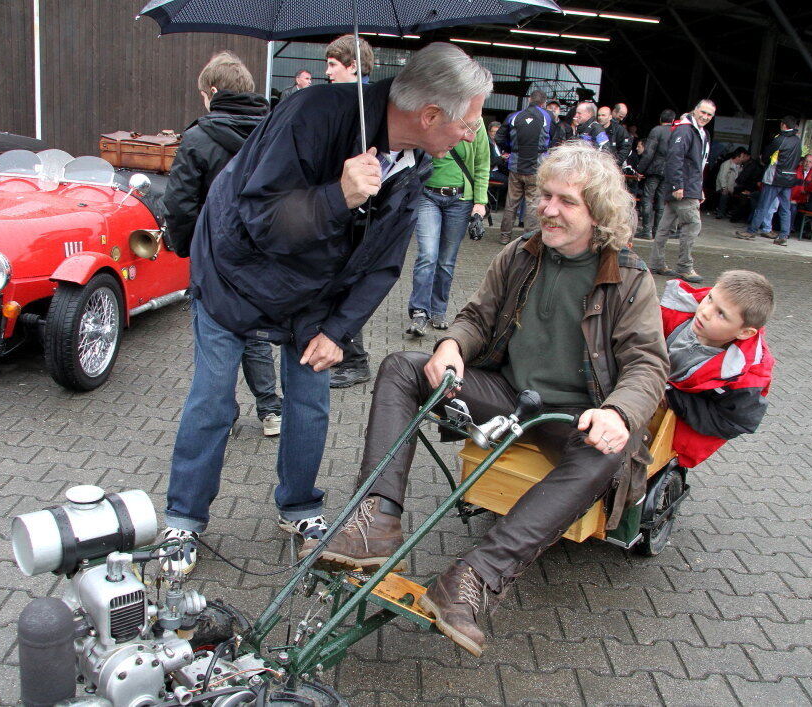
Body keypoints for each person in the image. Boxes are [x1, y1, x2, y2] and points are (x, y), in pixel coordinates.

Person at [306, 141, 668, 656]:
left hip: (575, 413)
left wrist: (616, 411)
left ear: (599, 214)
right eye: (545, 195)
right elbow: (477, 317)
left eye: (566, 201)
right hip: (508, 394)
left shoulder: (629, 278)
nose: (547, 209)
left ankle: (473, 579)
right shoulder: (521, 253)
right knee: (402, 368)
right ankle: (375, 521)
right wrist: (452, 345)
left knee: (610, 450)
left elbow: (649, 366)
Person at [160, 42, 493, 574]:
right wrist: (337, 195)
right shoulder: (311, 113)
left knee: (311, 396)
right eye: (470, 121)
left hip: (313, 293)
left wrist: (339, 330)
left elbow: (385, 262)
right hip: (235, 270)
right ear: (430, 115)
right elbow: (259, 215)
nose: (474, 132)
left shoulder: (416, 163)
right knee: (213, 400)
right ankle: (184, 520)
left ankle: (299, 507)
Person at [161, 51, 282, 439]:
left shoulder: (198, 138)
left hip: (214, 257)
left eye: (202, 94)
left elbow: (179, 204)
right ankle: (271, 410)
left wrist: (186, 248)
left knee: (215, 342)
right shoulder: (276, 130)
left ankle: (221, 416)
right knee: (256, 335)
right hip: (264, 255)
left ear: (212, 91)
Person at [660, 270, 774, 468]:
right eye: (709, 298)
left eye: (721, 314)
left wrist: (670, 397)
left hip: (675, 427)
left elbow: (735, 420)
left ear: (745, 332)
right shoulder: (676, 316)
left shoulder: (744, 378)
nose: (705, 311)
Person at [324, 34, 377, 388]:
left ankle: (355, 359)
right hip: (344, 206)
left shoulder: (365, 108)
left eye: (332, 65)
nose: (327, 72)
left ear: (353, 67)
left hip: (359, 212)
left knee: (346, 285)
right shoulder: (348, 104)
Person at [406, 121, 489, 336]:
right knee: (428, 255)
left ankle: (438, 310)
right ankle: (419, 311)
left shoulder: (477, 125)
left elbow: (482, 164)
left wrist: (480, 202)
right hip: (428, 195)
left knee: (446, 260)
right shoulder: (436, 118)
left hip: (460, 199)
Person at [650, 99, 716, 283]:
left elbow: (697, 163)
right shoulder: (686, 130)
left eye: (709, 114)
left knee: (665, 226)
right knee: (693, 224)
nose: (705, 117)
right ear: (695, 110)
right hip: (684, 187)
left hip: (688, 186)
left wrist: (698, 187)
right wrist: (678, 185)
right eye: (702, 112)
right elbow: (675, 157)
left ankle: (656, 263)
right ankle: (685, 267)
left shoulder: (698, 131)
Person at [494, 89, 553, 244]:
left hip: (515, 166)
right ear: (544, 102)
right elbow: (556, 138)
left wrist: (510, 148)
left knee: (511, 202)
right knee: (533, 204)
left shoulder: (514, 116)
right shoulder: (548, 116)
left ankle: (505, 236)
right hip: (536, 167)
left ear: (529, 99)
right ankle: (529, 239)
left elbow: (499, 137)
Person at [735, 116, 802, 246]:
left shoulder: (780, 139)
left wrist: (765, 161)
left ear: (783, 125)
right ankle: (783, 235)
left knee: (763, 205)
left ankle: (751, 231)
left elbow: (766, 156)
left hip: (775, 177)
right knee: (785, 208)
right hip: (789, 179)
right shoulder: (797, 141)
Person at [635, 109, 676, 240]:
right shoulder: (676, 132)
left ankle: (646, 230)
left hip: (655, 169)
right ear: (673, 120)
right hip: (669, 170)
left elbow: (649, 153)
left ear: (660, 119)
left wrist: (640, 169)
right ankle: (657, 231)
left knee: (647, 198)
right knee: (661, 202)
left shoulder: (656, 130)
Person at [714, 148, 750, 219]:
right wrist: (724, 187)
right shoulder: (727, 164)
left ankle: (732, 213)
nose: (743, 159)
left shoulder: (739, 166)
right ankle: (720, 212)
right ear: (739, 156)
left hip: (733, 187)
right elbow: (722, 177)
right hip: (723, 187)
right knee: (725, 193)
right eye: (743, 157)